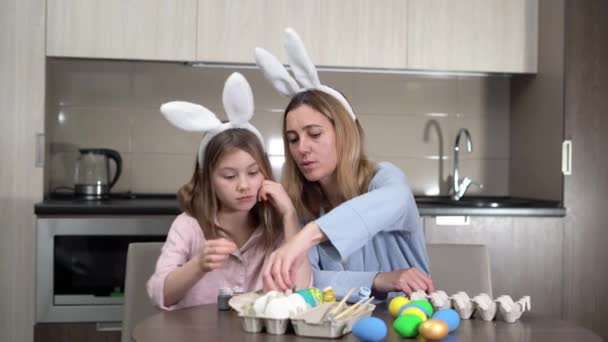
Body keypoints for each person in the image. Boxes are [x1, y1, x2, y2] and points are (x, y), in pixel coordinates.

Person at [255, 29, 433, 300]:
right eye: (293, 139)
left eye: (314, 134)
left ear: (344, 133)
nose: (302, 148)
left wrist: (305, 238)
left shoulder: (385, 179)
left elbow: (395, 200)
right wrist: (380, 279)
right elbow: (309, 283)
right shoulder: (305, 206)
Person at [147, 73, 311, 310]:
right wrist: (199, 264)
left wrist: (289, 215)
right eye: (229, 176)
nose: (244, 185)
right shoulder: (188, 226)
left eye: (253, 172)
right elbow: (161, 295)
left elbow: (302, 291)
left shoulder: (275, 226)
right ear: (207, 180)